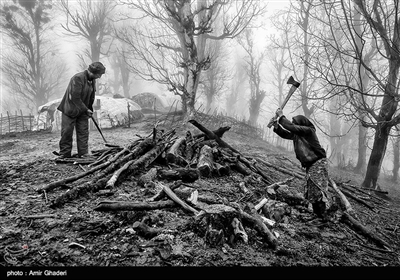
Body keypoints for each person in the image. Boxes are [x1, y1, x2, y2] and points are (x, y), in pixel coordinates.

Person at [272, 108, 334, 220]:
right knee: (312, 191)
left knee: (318, 189)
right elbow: (287, 134)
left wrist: (281, 116)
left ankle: (324, 216)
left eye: (296, 123)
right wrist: (276, 126)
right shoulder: (298, 134)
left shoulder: (309, 131)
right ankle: (318, 215)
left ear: (301, 123)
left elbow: (291, 127)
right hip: (310, 165)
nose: (294, 125)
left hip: (318, 163)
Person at [56, 62, 106, 159]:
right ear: (93, 72)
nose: (99, 77)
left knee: (83, 132)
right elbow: (75, 98)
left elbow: (91, 97)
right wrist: (86, 109)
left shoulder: (92, 80)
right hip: (70, 110)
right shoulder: (78, 78)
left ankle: (83, 153)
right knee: (67, 132)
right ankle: (64, 154)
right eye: (98, 74)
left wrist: (89, 109)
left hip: (83, 111)